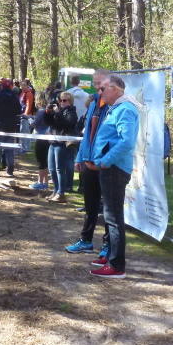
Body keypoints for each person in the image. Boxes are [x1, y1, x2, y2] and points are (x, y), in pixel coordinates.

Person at [87, 74, 139, 279]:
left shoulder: (125, 109)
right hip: (111, 168)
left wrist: (106, 161)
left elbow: (126, 141)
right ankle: (110, 255)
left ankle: (117, 265)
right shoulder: (117, 108)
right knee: (110, 216)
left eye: (103, 88)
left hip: (115, 169)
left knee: (114, 216)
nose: (99, 92)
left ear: (115, 90)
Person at [65, 69, 111, 256]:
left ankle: (108, 245)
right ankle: (86, 240)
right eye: (95, 83)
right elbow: (86, 134)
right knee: (90, 204)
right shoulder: (93, 102)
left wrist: (105, 160)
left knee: (108, 208)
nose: (97, 87)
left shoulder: (116, 105)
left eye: (100, 84)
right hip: (89, 161)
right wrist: (80, 158)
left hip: (106, 163)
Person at [45, 92, 78, 203]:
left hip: (62, 144)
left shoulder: (72, 112)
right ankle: (55, 191)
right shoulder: (57, 111)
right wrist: (47, 112)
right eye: (60, 100)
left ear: (70, 102)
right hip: (53, 142)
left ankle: (61, 193)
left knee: (60, 169)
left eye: (64, 100)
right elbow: (48, 122)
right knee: (52, 169)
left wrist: (58, 113)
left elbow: (67, 124)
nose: (62, 102)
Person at [0, 78, 21, 178]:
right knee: (9, 149)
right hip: (10, 126)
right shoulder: (15, 97)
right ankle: (10, 170)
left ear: (1, 86)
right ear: (10, 86)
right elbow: (19, 111)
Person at [29, 91, 51, 190]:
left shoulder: (41, 111)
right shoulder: (46, 110)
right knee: (44, 161)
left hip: (41, 138)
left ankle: (40, 182)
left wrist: (28, 118)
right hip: (46, 137)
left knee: (41, 161)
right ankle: (45, 182)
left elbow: (34, 123)